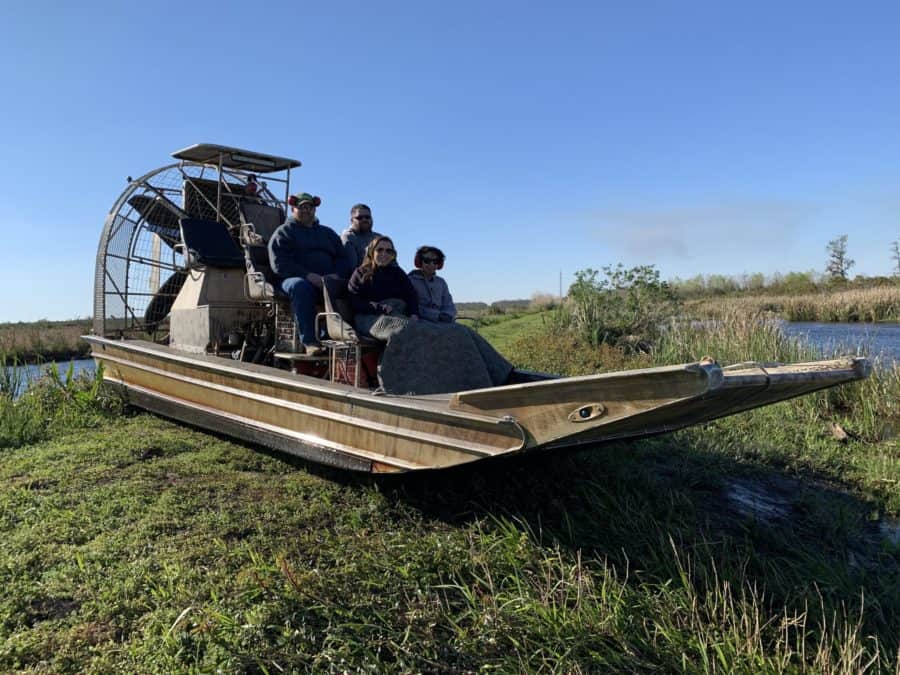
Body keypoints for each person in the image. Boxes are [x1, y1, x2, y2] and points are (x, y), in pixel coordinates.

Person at [268, 192, 352, 355]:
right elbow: (280, 264)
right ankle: (310, 342)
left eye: (310, 207)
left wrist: (335, 275)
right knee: (301, 287)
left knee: (351, 287)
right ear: (293, 209)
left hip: (327, 280)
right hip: (293, 280)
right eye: (302, 207)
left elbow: (343, 258)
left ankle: (344, 337)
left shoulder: (327, 233)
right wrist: (307, 275)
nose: (307, 211)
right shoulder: (284, 232)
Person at [347, 236, 419, 335]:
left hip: (395, 314)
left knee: (424, 329)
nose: (384, 254)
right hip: (368, 318)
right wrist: (379, 308)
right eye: (379, 250)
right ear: (372, 252)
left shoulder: (398, 273)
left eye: (388, 251)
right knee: (403, 331)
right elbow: (354, 300)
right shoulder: (361, 273)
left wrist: (414, 314)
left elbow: (411, 295)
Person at [408, 245, 457, 323]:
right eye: (427, 261)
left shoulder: (441, 283)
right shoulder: (410, 281)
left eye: (435, 262)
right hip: (421, 322)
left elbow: (448, 304)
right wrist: (436, 316)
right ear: (420, 262)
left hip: (443, 322)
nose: (431, 265)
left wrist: (448, 315)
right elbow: (412, 305)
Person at [340, 203, 383, 269]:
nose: (364, 219)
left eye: (367, 217)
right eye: (359, 218)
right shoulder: (348, 237)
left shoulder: (379, 237)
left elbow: (393, 263)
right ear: (352, 220)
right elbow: (352, 268)